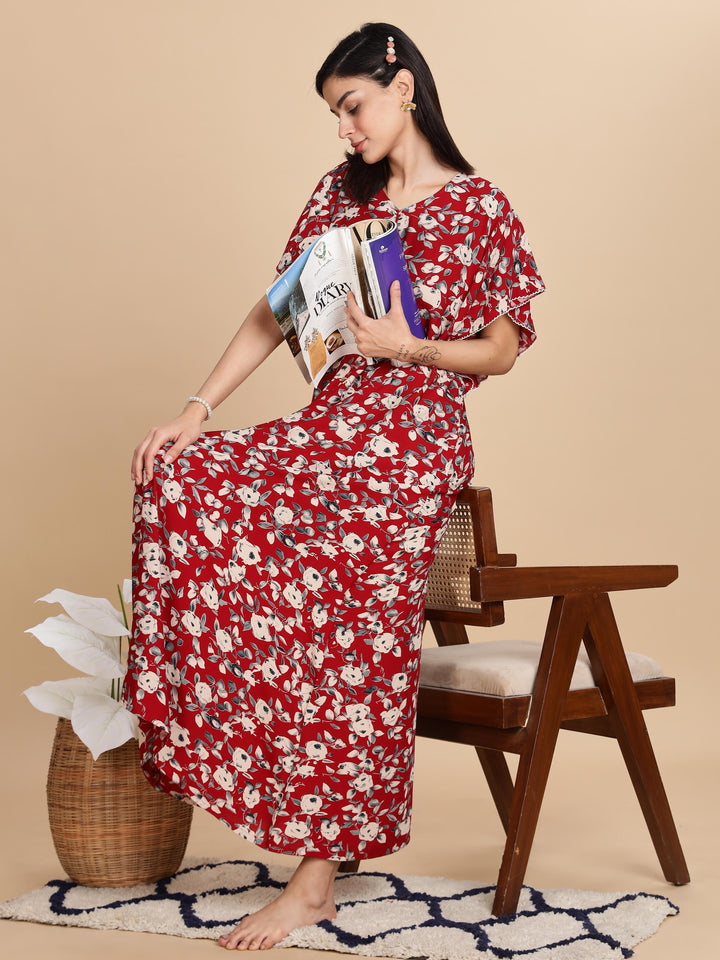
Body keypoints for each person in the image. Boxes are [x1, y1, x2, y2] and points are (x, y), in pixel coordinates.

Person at [125, 22, 544, 952]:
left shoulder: (482, 207)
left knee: (352, 633)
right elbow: (274, 314)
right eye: (334, 116)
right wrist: (196, 408)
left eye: (352, 106)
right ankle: (245, 763)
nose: (345, 129)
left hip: (413, 443)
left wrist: (410, 347)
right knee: (181, 474)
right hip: (332, 431)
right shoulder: (338, 197)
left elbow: (503, 350)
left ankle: (314, 883)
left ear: (403, 86)